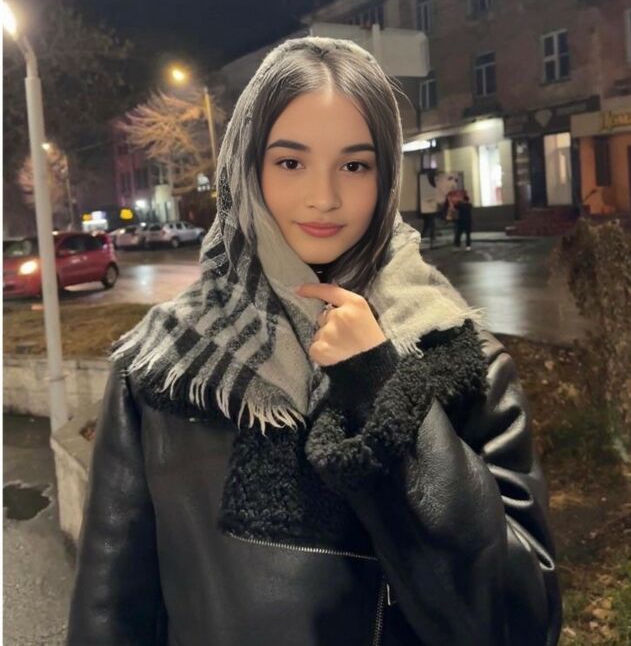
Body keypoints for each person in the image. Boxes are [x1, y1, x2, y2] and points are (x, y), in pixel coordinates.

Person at [66, 37, 561, 646]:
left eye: (355, 165)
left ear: (387, 177)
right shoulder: (165, 365)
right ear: (246, 169)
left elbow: (520, 623)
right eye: (290, 162)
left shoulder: (460, 360)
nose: (323, 197)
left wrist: (381, 384)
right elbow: (112, 611)